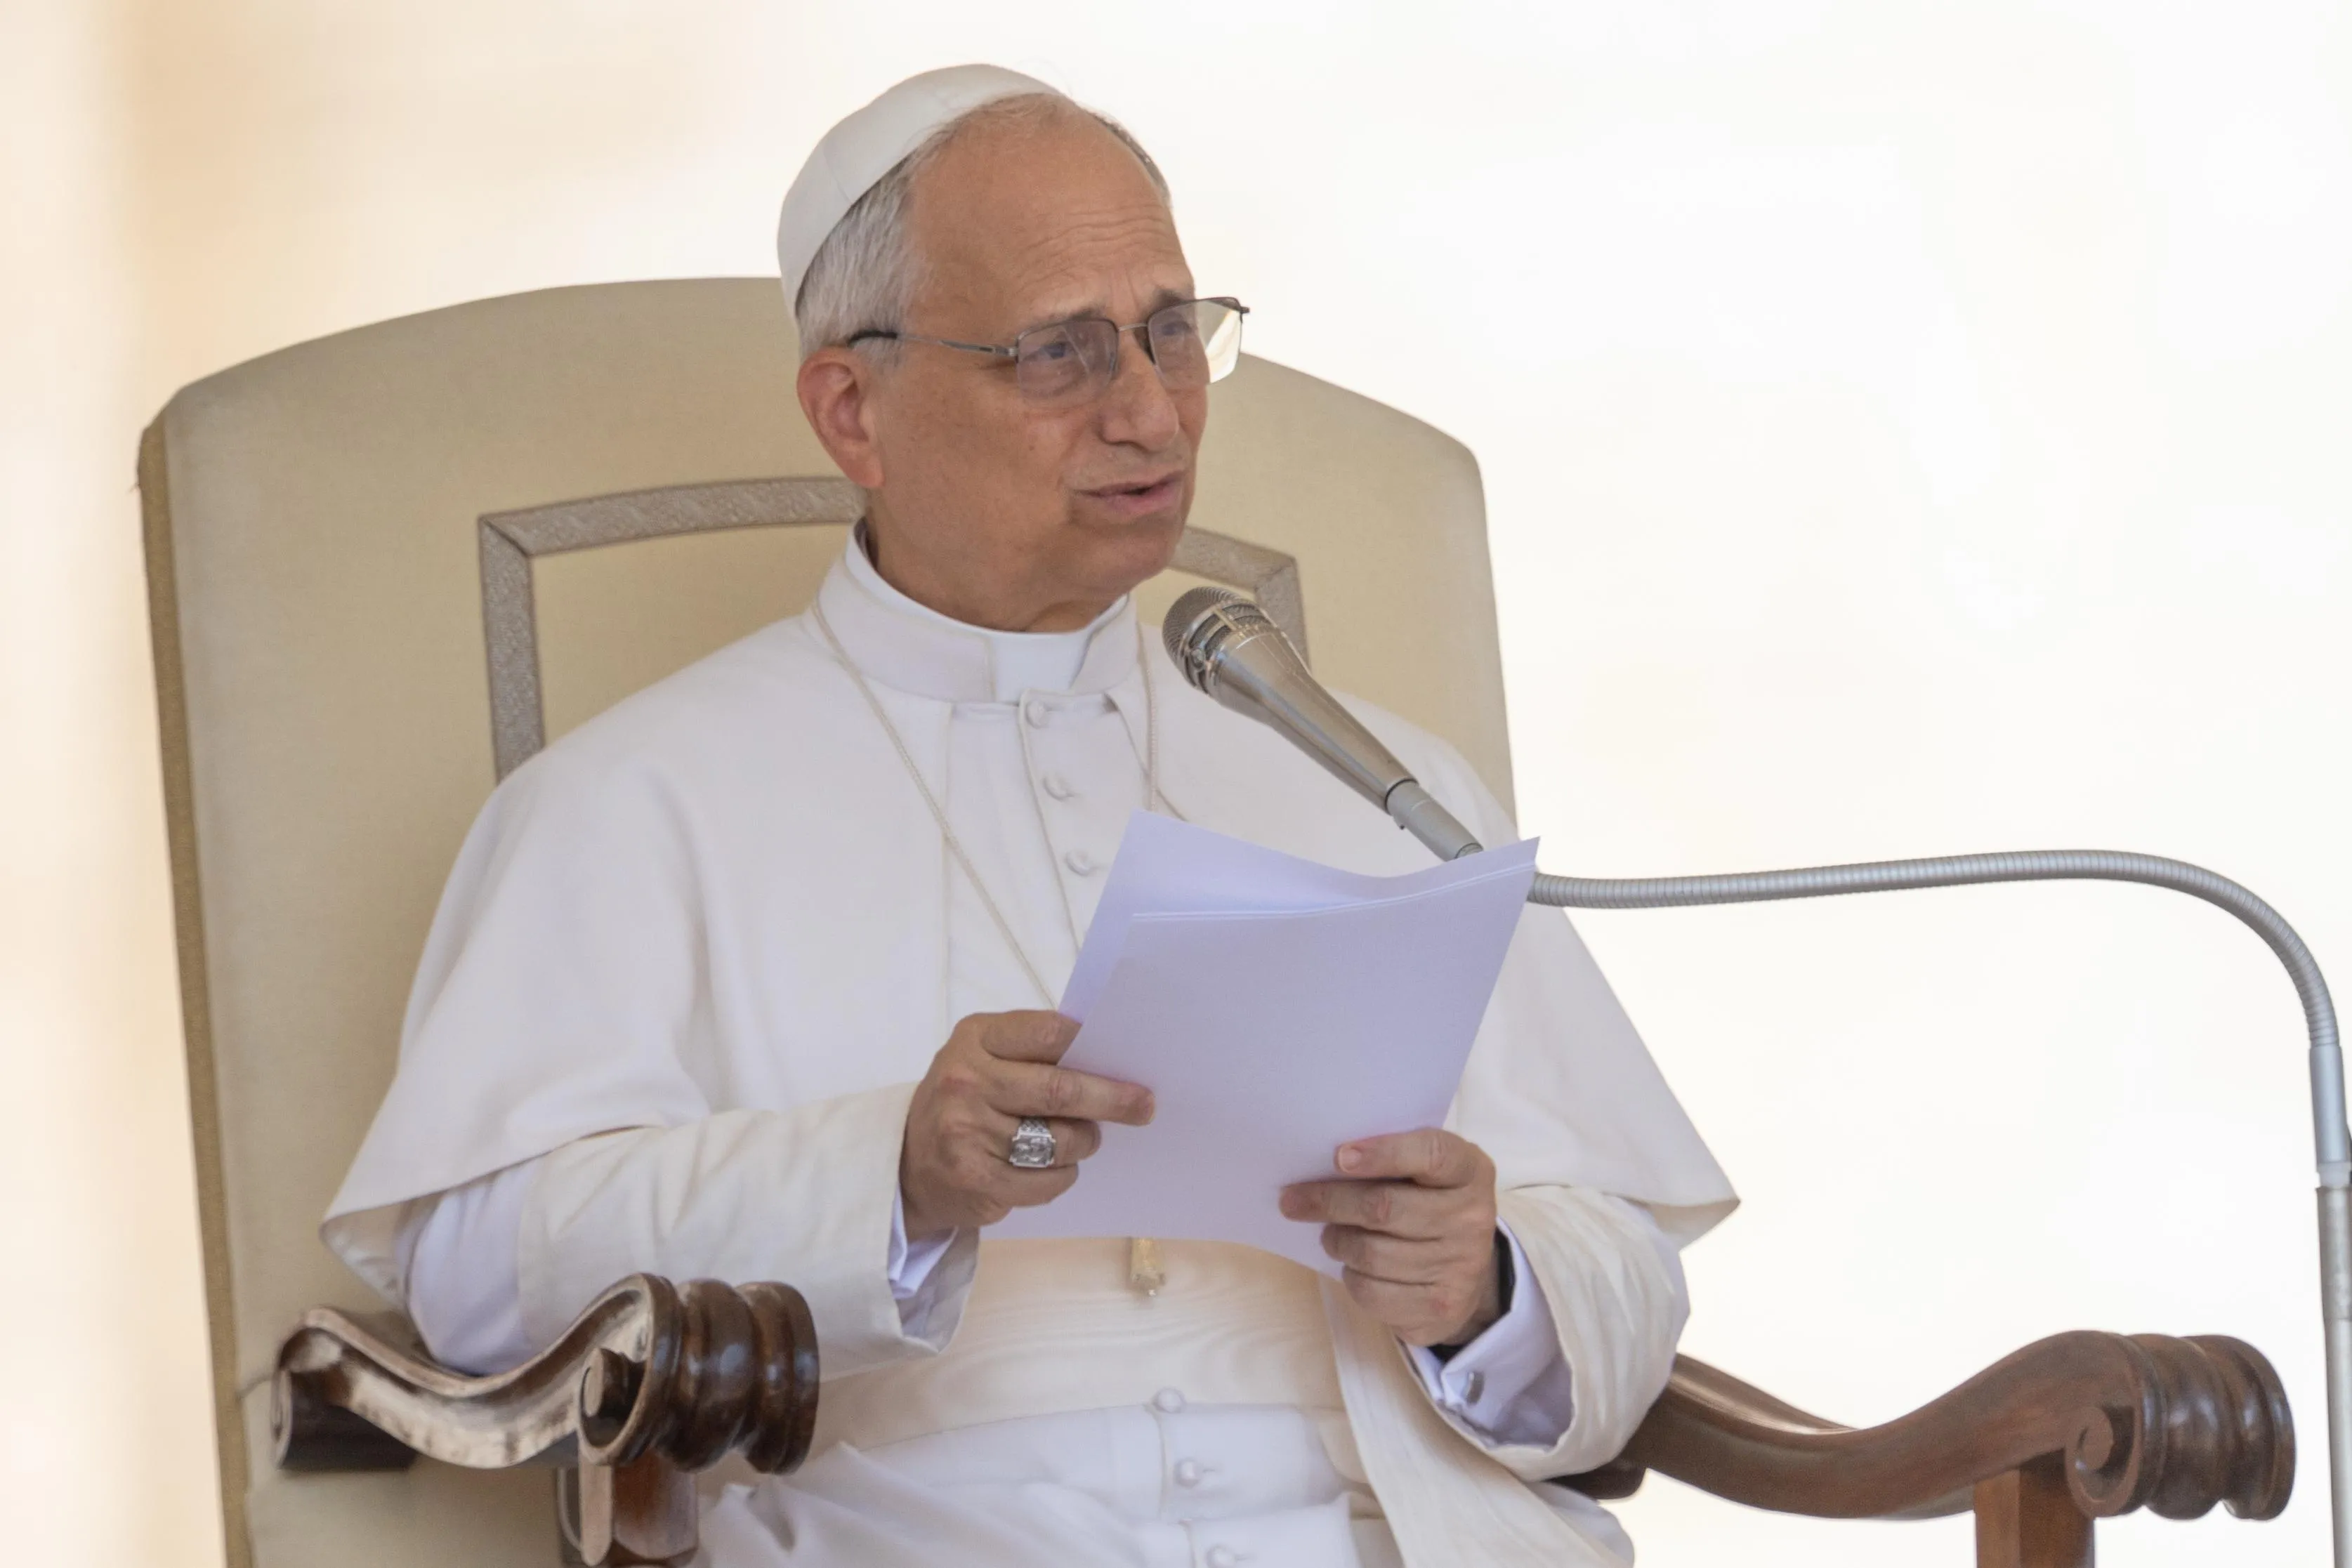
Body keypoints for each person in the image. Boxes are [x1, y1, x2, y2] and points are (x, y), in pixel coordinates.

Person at [324, 65, 1736, 1568]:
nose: (1150, 411)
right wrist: (890, 1172)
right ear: (854, 410)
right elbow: (478, 1276)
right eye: (1059, 353)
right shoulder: (630, 801)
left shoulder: (1381, 783)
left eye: (1173, 330)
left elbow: (1623, 1260)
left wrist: (1488, 1286)